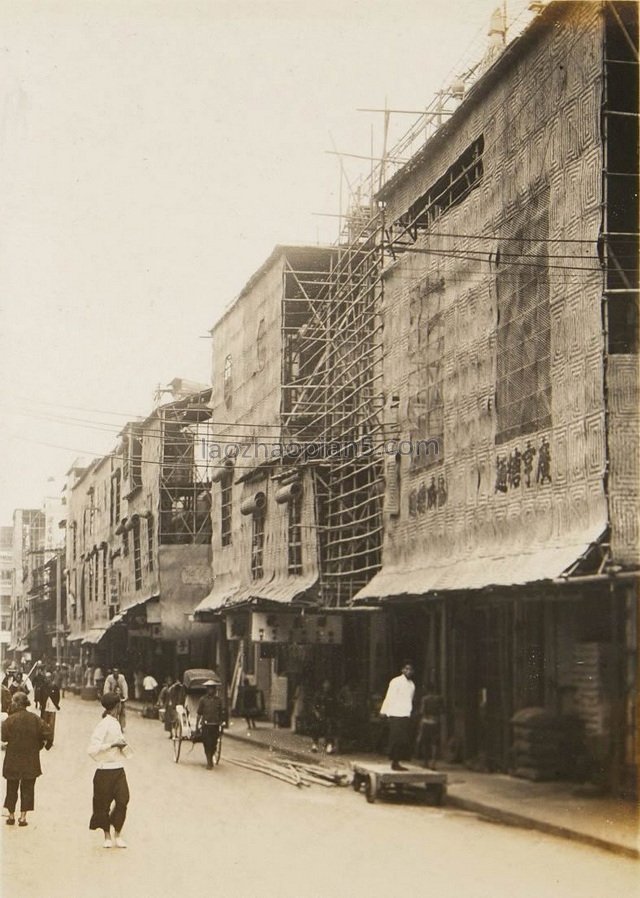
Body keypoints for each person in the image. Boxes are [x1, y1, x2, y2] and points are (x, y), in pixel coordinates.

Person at [2, 692, 52, 826]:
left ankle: (11, 815)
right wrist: (42, 746)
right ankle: (23, 817)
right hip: (31, 759)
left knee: (11, 787)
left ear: (16, 703)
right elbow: (48, 733)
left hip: (13, 759)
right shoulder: (35, 719)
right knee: (28, 787)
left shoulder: (9, 720)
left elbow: (3, 738)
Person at [88, 693, 130, 848]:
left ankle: (117, 832)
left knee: (123, 800)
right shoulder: (103, 724)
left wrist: (123, 747)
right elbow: (91, 749)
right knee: (103, 805)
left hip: (118, 768)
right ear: (117, 706)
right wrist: (112, 745)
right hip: (104, 769)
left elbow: (121, 745)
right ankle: (107, 835)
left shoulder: (116, 723)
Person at [380, 661, 416, 771]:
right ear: (402, 670)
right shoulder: (396, 681)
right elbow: (389, 696)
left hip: (405, 713)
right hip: (396, 713)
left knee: (403, 739)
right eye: (407, 669)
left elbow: (410, 699)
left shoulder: (412, 685)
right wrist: (384, 711)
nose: (409, 671)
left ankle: (399, 761)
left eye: (411, 670)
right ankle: (394, 762)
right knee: (396, 738)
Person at [196, 680, 225, 769]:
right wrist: (197, 726)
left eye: (212, 688)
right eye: (209, 688)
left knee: (213, 744)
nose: (211, 690)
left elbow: (221, 713)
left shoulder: (218, 700)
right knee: (207, 743)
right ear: (207, 689)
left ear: (215, 689)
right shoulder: (203, 700)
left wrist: (221, 723)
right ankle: (209, 761)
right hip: (206, 725)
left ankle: (211, 756)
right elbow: (199, 713)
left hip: (215, 725)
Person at [415, 692, 444, 769]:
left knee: (425, 743)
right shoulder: (439, 699)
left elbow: (422, 711)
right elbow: (442, 711)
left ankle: (426, 763)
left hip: (426, 722)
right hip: (435, 722)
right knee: (434, 743)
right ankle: (433, 763)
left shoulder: (425, 699)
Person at [310, 679, 337, 754]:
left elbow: (334, 705)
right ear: (323, 685)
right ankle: (315, 744)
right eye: (326, 684)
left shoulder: (332, 695)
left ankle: (329, 746)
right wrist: (316, 713)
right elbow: (314, 705)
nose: (327, 686)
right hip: (319, 714)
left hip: (328, 715)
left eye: (328, 685)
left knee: (329, 730)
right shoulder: (319, 694)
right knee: (316, 729)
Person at [38, 672, 61, 745]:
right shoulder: (43, 687)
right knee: (43, 723)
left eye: (49, 677)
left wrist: (56, 704)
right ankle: (43, 739)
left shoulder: (54, 686)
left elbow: (57, 697)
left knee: (51, 724)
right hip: (45, 707)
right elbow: (40, 697)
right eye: (46, 677)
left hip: (52, 708)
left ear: (51, 678)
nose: (47, 679)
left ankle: (50, 740)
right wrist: (41, 704)